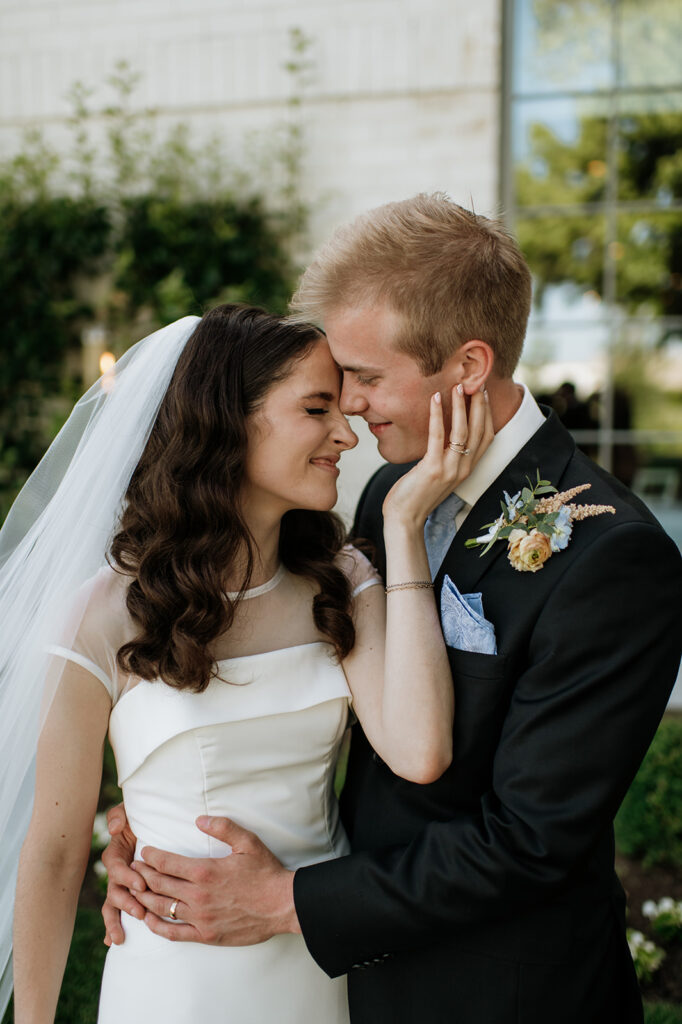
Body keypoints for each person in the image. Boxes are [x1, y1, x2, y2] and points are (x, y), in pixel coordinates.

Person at [103, 196, 682, 1024]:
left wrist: (286, 902)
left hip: (499, 991)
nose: (350, 409)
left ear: (469, 367)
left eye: (367, 379)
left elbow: (529, 841)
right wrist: (158, 830)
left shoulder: (610, 555)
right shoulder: (382, 496)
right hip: (348, 977)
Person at [5, 302, 492, 1023]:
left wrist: (405, 524)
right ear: (229, 421)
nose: (346, 432)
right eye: (317, 408)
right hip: (174, 974)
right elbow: (52, 853)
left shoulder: (342, 580)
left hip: (311, 961)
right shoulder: (104, 616)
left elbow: (420, 751)